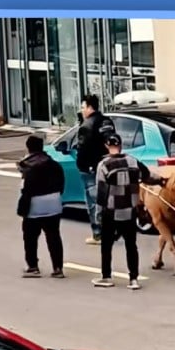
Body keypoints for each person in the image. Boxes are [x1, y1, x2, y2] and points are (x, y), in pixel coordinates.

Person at [93, 132, 164, 290]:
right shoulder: (133, 162)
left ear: (106, 145)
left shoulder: (104, 165)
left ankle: (106, 277)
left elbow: (101, 193)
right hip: (130, 211)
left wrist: (98, 215)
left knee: (106, 246)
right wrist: (161, 180)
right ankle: (133, 279)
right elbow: (148, 176)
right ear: (121, 145)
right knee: (131, 246)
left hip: (111, 212)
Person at [16, 134, 66, 278]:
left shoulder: (28, 166)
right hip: (54, 203)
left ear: (28, 148)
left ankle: (33, 267)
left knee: (30, 236)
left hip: (35, 205)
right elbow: (61, 185)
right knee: (54, 236)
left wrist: (22, 208)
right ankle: (58, 268)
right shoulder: (54, 164)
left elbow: (26, 190)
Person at [72, 93, 110, 245]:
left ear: (89, 107)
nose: (81, 110)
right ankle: (109, 230)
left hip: (91, 169)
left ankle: (98, 234)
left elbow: (83, 149)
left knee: (93, 203)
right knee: (105, 201)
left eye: (83, 107)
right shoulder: (106, 121)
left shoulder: (86, 126)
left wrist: (82, 166)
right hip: (106, 167)